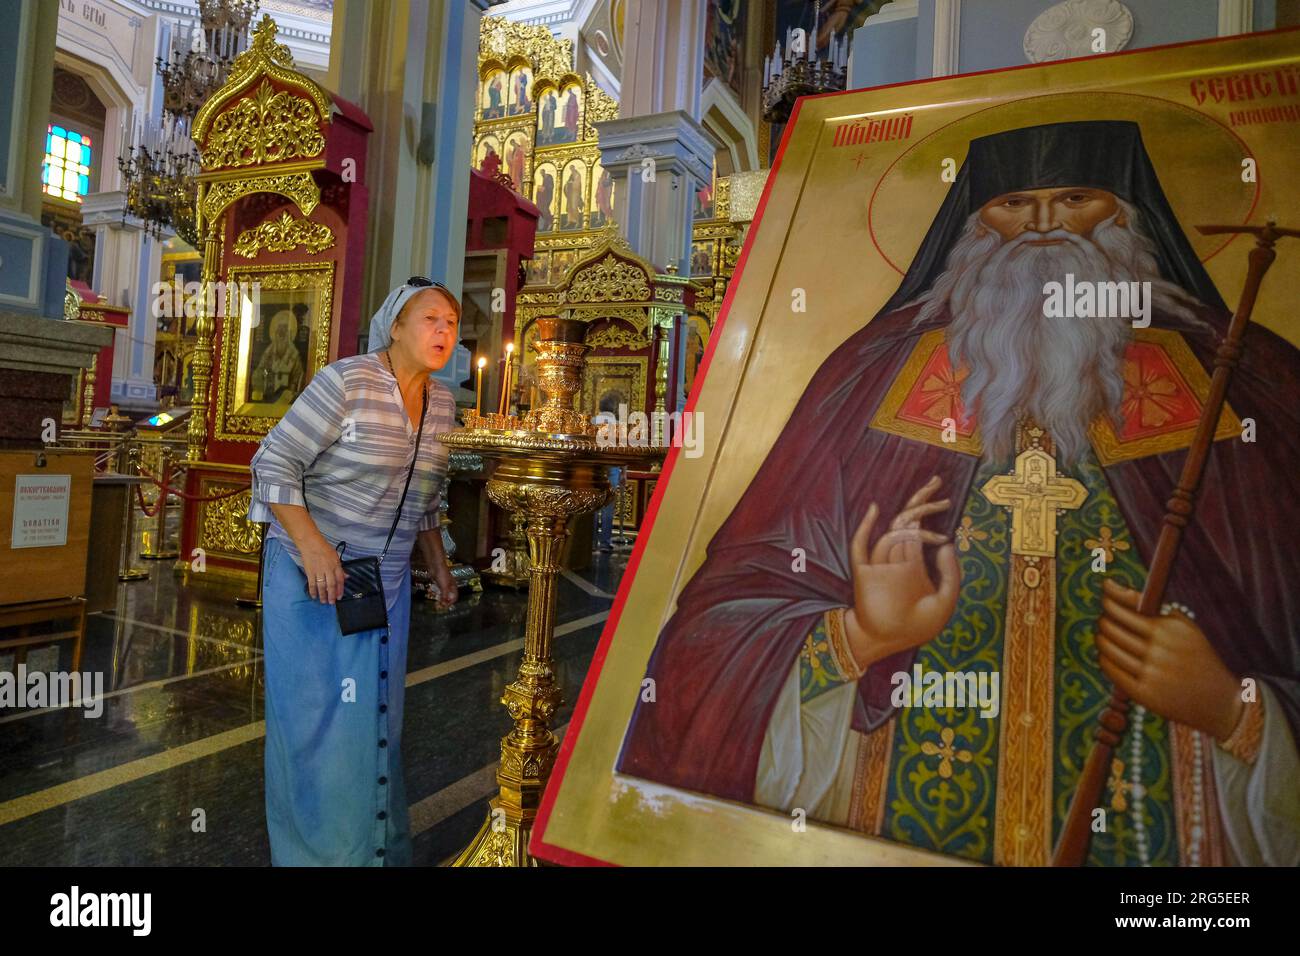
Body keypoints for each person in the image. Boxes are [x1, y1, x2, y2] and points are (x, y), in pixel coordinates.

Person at [618, 121, 1300, 866]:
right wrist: (855, 637)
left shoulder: (1240, 374)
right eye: (1013, 203)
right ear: (974, 225)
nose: (1042, 225)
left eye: (1075, 197)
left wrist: (1238, 712)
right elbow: (716, 628)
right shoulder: (870, 373)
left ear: (1127, 215)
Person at [249, 277, 462, 866]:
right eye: (430, 319)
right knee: (316, 726)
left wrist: (439, 567)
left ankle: (373, 855)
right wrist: (314, 546)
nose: (443, 331)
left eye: (451, 322)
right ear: (395, 326)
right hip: (311, 576)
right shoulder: (345, 382)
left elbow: (423, 497)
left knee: (375, 724)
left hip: (382, 585)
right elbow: (271, 463)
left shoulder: (443, 403)